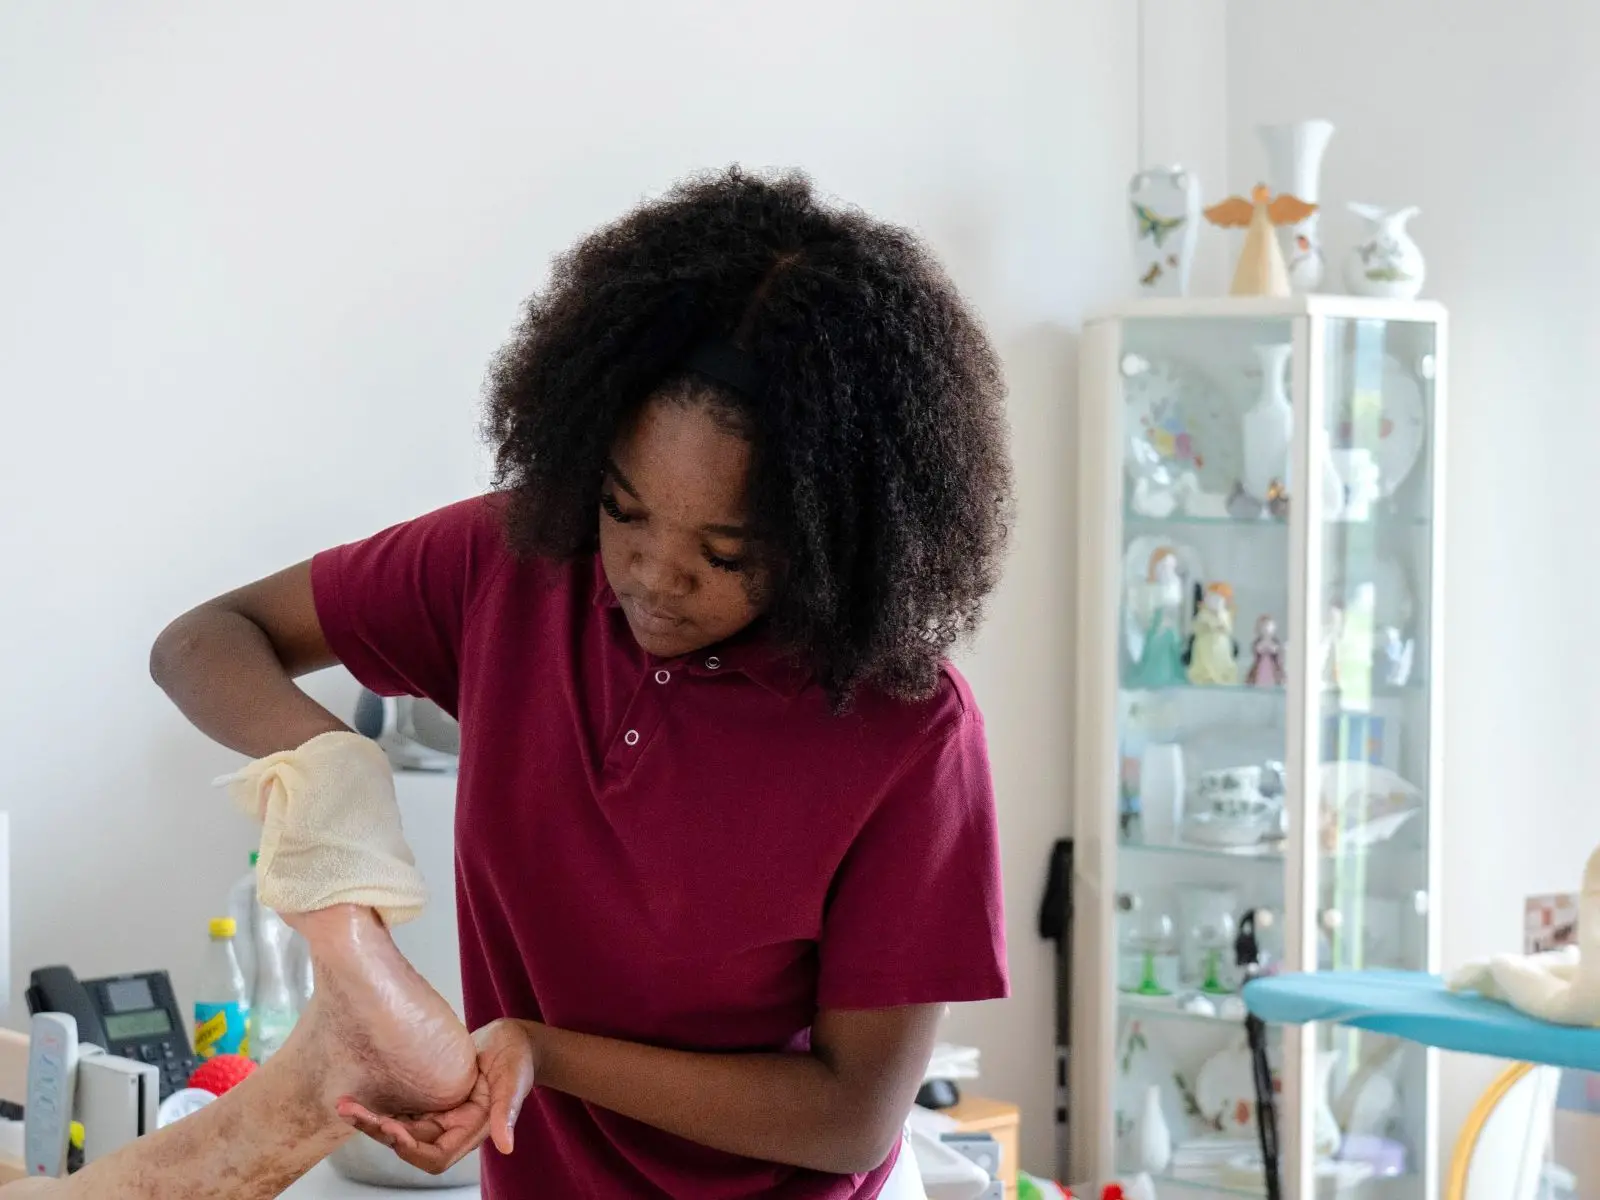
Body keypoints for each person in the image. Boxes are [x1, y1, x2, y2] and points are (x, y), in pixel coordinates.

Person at [143, 167, 1013, 1198]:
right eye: (623, 509)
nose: (652, 577)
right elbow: (204, 641)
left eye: (724, 554)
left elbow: (852, 1119)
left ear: (832, 540)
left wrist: (544, 1053)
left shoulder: (905, 734)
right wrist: (332, 773)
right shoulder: (511, 565)